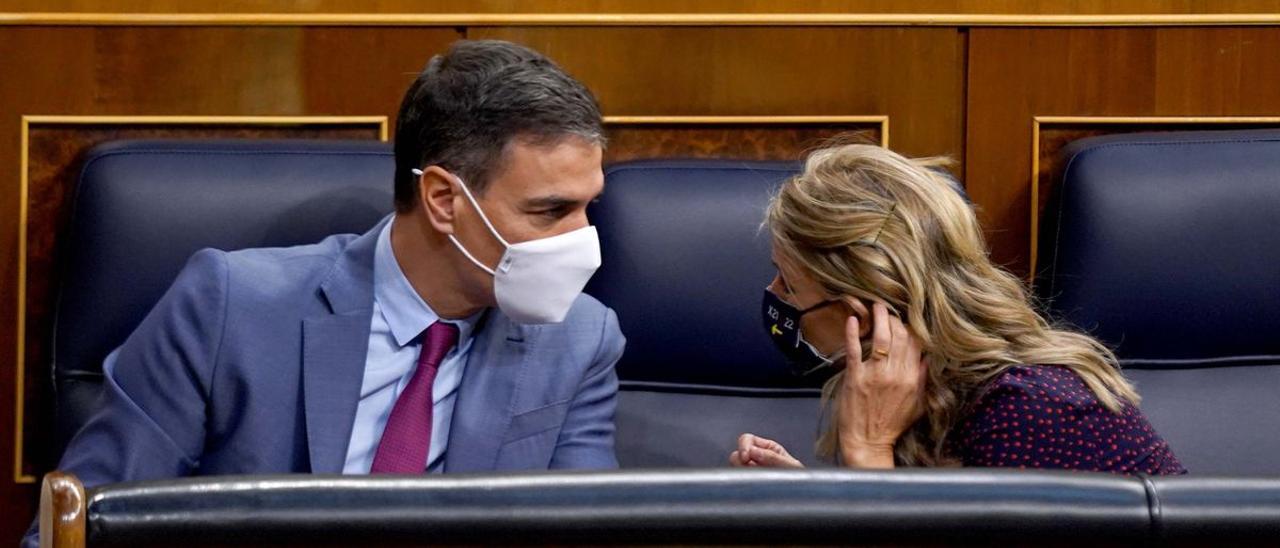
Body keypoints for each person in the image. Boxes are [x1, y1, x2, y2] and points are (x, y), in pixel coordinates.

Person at [47, 37, 623, 492]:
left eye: (587, 207)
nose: (581, 239)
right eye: (551, 210)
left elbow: (583, 528)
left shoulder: (579, 338)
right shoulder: (227, 307)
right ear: (445, 201)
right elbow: (93, 521)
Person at [732, 143, 1184, 474]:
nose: (774, 294)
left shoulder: (1030, 409)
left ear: (863, 316)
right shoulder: (925, 392)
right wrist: (806, 505)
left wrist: (867, 451)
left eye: (789, 284)